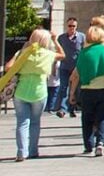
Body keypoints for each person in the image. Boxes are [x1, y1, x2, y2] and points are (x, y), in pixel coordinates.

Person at [3, 29, 64, 161]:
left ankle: (21, 151)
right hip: (39, 92)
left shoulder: (23, 54)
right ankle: (33, 150)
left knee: (22, 122)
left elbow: (8, 67)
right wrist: (55, 40)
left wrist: (18, 54)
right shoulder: (48, 54)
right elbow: (62, 55)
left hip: (21, 91)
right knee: (35, 122)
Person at [69, 25, 104, 156]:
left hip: (87, 90)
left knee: (87, 118)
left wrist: (72, 93)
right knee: (103, 117)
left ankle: (88, 145)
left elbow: (75, 75)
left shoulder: (83, 53)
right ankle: (100, 143)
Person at [52, 17, 85, 117]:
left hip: (77, 67)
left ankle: (72, 108)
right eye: (70, 26)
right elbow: (57, 51)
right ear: (67, 26)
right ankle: (63, 109)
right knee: (64, 87)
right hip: (65, 66)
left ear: (76, 26)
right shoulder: (61, 38)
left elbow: (84, 51)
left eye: (73, 26)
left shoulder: (82, 37)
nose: (71, 28)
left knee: (75, 89)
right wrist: (54, 65)